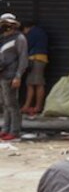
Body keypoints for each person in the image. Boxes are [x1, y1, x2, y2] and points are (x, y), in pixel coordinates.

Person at [1, 13, 28, 141]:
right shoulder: (3, 39)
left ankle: (14, 131)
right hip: (2, 75)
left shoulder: (20, 38)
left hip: (11, 76)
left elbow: (23, 59)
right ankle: (5, 129)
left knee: (12, 104)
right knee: (5, 104)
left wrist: (18, 76)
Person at [20, 20, 48, 116]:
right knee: (31, 83)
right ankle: (29, 106)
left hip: (36, 59)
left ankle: (36, 106)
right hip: (40, 59)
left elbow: (27, 46)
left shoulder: (33, 33)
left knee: (37, 83)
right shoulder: (40, 32)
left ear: (27, 28)